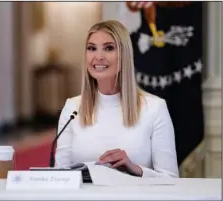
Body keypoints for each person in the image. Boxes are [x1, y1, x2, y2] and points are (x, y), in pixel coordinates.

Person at [55, 20, 179, 178]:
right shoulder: (72, 107)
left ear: (124, 55)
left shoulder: (155, 108)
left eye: (108, 48)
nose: (98, 57)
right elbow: (59, 177)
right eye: (92, 48)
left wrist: (136, 169)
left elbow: (171, 180)